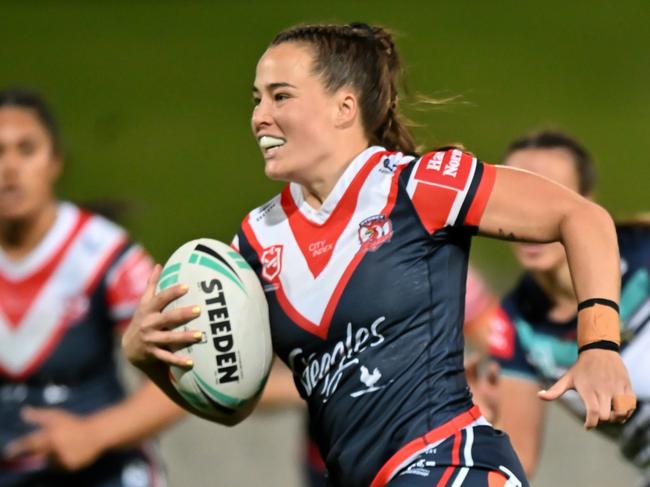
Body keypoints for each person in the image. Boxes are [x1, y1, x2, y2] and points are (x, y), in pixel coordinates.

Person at [122, 23, 635, 487]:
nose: (259, 117)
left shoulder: (420, 186)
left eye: (280, 96)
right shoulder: (253, 244)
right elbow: (234, 401)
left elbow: (581, 217)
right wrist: (148, 358)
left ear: (344, 107)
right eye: (256, 99)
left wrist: (599, 347)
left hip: (453, 465)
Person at [0, 88, 184, 487]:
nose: (9, 168)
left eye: (26, 150)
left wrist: (93, 434)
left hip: (106, 472)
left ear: (55, 162)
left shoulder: (104, 256)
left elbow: (182, 376)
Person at [487, 130, 650, 485]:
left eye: (551, 197)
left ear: (586, 207)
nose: (530, 215)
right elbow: (516, 464)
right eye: (515, 198)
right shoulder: (517, 324)